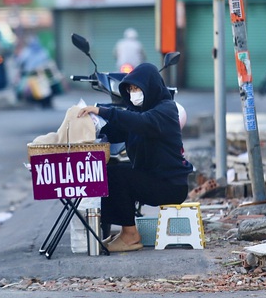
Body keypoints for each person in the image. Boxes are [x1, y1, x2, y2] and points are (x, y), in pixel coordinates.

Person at [77, 62, 193, 252]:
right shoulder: (137, 112)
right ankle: (123, 233)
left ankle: (130, 236)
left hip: (170, 184)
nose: (133, 92)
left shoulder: (166, 110)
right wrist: (93, 126)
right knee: (111, 172)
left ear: (151, 87)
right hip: (151, 179)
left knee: (118, 176)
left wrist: (103, 111)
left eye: (137, 88)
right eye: (130, 88)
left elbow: (141, 123)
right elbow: (117, 130)